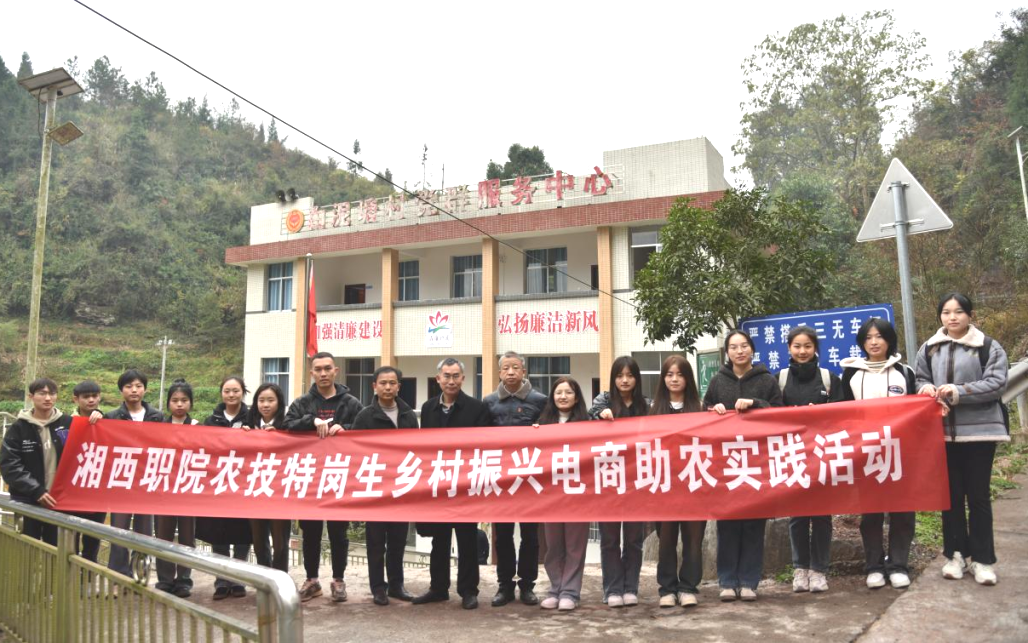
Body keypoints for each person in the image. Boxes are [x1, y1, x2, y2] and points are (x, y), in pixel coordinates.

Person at [915, 292, 1008, 586]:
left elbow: (996, 384)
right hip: (942, 436)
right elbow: (920, 378)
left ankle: (982, 560)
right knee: (951, 498)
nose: (952, 317)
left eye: (958, 312)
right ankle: (955, 556)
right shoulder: (929, 348)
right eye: (946, 312)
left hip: (980, 433)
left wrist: (958, 392)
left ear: (970, 314)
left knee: (978, 497)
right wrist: (926, 389)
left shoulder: (988, 347)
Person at [704, 330, 782, 602]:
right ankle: (727, 581)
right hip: (726, 463)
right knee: (727, 524)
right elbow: (704, 410)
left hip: (758, 462)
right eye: (734, 347)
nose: (739, 351)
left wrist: (755, 404)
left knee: (753, 524)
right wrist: (713, 410)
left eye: (744, 346)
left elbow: (780, 412)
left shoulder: (767, 380)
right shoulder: (717, 381)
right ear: (727, 352)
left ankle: (749, 581)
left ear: (752, 349)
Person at [840, 318, 917, 591]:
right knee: (871, 512)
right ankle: (873, 566)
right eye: (868, 337)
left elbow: (916, 411)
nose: (874, 342)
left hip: (899, 451)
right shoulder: (851, 374)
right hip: (866, 453)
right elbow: (841, 413)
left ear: (889, 340)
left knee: (902, 511)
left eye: (879, 336)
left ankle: (898, 565)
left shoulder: (904, 373)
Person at [413, 358, 493, 610]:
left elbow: (485, 444)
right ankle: (438, 588)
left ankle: (468, 591)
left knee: (467, 539)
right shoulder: (428, 408)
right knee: (439, 539)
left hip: (466, 483)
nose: (451, 381)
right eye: (446, 376)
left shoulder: (477, 408)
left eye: (456, 376)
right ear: (438, 379)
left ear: (463, 379)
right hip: (438, 482)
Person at [283, 351, 363, 603]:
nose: (323, 373)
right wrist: (312, 420)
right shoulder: (302, 403)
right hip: (310, 477)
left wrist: (346, 428)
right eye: (318, 369)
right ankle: (312, 580)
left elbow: (366, 428)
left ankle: (338, 580)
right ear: (312, 373)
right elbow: (288, 424)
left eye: (328, 368)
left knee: (339, 533)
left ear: (335, 371)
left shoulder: (351, 403)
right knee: (311, 533)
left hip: (340, 476)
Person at [779, 326, 843, 594]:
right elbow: (770, 414)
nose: (802, 351)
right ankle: (800, 569)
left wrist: (821, 413)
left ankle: (819, 570)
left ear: (815, 348)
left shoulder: (829, 379)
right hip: (792, 453)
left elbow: (843, 414)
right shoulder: (780, 379)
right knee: (797, 515)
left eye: (807, 346)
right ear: (789, 348)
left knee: (822, 514)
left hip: (823, 453)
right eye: (797, 346)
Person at [483, 351, 546, 607]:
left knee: (530, 535)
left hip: (530, 478)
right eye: (506, 368)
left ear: (524, 372)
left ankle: (528, 585)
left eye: (515, 368)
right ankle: (505, 585)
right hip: (501, 479)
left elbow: (551, 434)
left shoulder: (540, 400)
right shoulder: (488, 402)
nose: (511, 372)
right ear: (499, 373)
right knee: (503, 535)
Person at [350, 366, 418, 605]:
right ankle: (378, 587)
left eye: (392, 383)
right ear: (374, 386)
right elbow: (355, 449)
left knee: (398, 541)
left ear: (399, 386)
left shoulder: (408, 415)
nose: (388, 387)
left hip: (401, 486)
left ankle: (397, 586)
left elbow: (416, 449)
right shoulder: (365, 416)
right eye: (383, 383)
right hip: (376, 487)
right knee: (376, 543)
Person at [590, 355, 650, 608]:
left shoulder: (646, 405)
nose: (625, 380)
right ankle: (612, 588)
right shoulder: (602, 402)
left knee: (634, 540)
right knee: (610, 539)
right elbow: (586, 425)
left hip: (636, 481)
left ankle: (630, 587)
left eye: (630, 375)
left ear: (637, 378)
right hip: (609, 479)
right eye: (619, 375)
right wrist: (598, 415)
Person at [649, 355, 704, 608]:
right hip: (664, 486)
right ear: (663, 379)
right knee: (666, 539)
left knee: (693, 539)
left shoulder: (700, 408)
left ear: (688, 378)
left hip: (694, 484)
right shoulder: (653, 409)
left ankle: (688, 587)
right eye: (669, 374)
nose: (674, 379)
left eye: (680, 374)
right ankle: (667, 588)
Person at [536, 377, 591, 612]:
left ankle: (570, 592)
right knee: (554, 545)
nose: (563, 396)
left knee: (575, 546)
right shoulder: (542, 423)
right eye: (559, 392)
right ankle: (555, 589)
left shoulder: (588, 424)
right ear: (552, 397)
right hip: (552, 494)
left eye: (568, 392)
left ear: (576, 398)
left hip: (578, 493)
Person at [196, 376, 253, 600]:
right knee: (218, 534)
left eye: (235, 391)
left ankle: (238, 580)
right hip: (218, 485)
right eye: (227, 391)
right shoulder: (211, 421)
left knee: (242, 534)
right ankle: (221, 581)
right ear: (221, 393)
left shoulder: (252, 418)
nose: (231, 395)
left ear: (243, 392)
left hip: (244, 485)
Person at [1, 378, 73, 546]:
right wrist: (36, 490)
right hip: (27, 501)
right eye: (42, 393)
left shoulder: (68, 423)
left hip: (59, 501)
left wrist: (97, 413)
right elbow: (9, 465)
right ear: (31, 396)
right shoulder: (18, 428)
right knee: (27, 549)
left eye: (52, 393)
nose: (48, 398)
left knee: (56, 551)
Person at [106, 369, 163, 578]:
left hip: (146, 480)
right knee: (118, 530)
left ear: (145, 389)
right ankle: (118, 575)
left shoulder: (156, 416)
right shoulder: (111, 417)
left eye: (138, 386)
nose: (134, 390)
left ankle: (140, 573)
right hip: (121, 480)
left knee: (144, 531)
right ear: (121, 390)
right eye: (129, 386)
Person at [154, 379, 199, 597]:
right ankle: (165, 579)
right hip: (164, 488)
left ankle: (184, 580)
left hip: (188, 489)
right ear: (168, 403)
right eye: (175, 400)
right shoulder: (158, 426)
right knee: (163, 534)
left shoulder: (198, 427)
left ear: (191, 403)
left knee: (187, 537)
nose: (179, 404)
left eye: (184, 400)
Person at [243, 383, 292, 575]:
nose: (265, 405)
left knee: (280, 542)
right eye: (261, 400)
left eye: (270, 400)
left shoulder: (288, 425)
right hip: (255, 491)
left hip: (279, 493)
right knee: (259, 541)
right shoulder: (248, 425)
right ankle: (265, 579)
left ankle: (280, 579)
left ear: (279, 403)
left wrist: (281, 436)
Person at [69, 380, 106, 563]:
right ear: (76, 399)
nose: (91, 400)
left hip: (97, 492)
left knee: (93, 540)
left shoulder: (108, 421)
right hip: (73, 491)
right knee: (71, 541)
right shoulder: (66, 422)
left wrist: (102, 418)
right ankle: (70, 577)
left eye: (94, 396)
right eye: (86, 397)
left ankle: (89, 576)